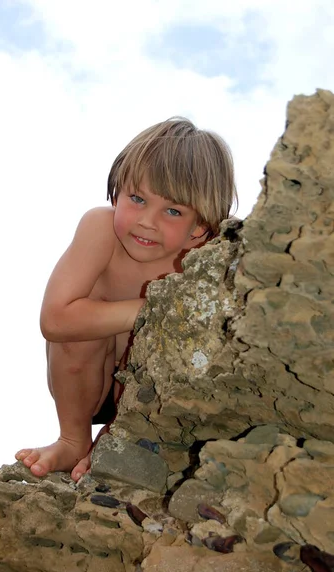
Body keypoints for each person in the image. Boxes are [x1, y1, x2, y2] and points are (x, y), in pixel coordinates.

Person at [15, 117, 237, 482]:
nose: (146, 221)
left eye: (173, 211)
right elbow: (54, 321)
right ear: (117, 192)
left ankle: (120, 438)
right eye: (137, 199)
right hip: (91, 380)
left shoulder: (206, 257)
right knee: (77, 329)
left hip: (148, 394)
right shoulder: (100, 228)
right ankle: (73, 439)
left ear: (198, 227)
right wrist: (149, 310)